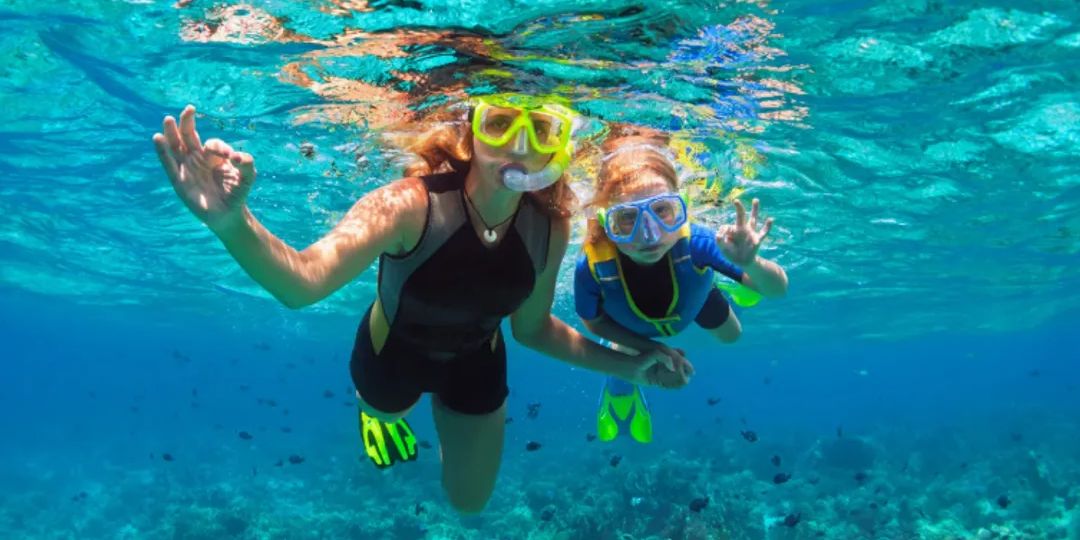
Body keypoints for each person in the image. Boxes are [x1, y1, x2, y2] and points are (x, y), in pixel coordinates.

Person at [151, 95, 692, 514]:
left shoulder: (550, 226)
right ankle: (377, 415)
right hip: (392, 355)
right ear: (471, 133)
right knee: (386, 411)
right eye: (500, 124)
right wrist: (230, 222)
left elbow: (532, 330)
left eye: (541, 129)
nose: (520, 146)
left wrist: (633, 366)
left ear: (556, 145)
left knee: (469, 504)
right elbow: (303, 283)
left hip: (478, 360)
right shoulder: (409, 204)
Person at [574, 130, 788, 444]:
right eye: (626, 219)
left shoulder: (699, 242)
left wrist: (749, 264)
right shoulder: (593, 266)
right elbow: (592, 322)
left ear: (683, 207)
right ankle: (620, 395)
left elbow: (778, 289)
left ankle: (730, 280)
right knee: (626, 356)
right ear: (606, 222)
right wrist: (654, 350)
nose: (648, 235)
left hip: (694, 298)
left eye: (662, 211)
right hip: (631, 326)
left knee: (733, 336)